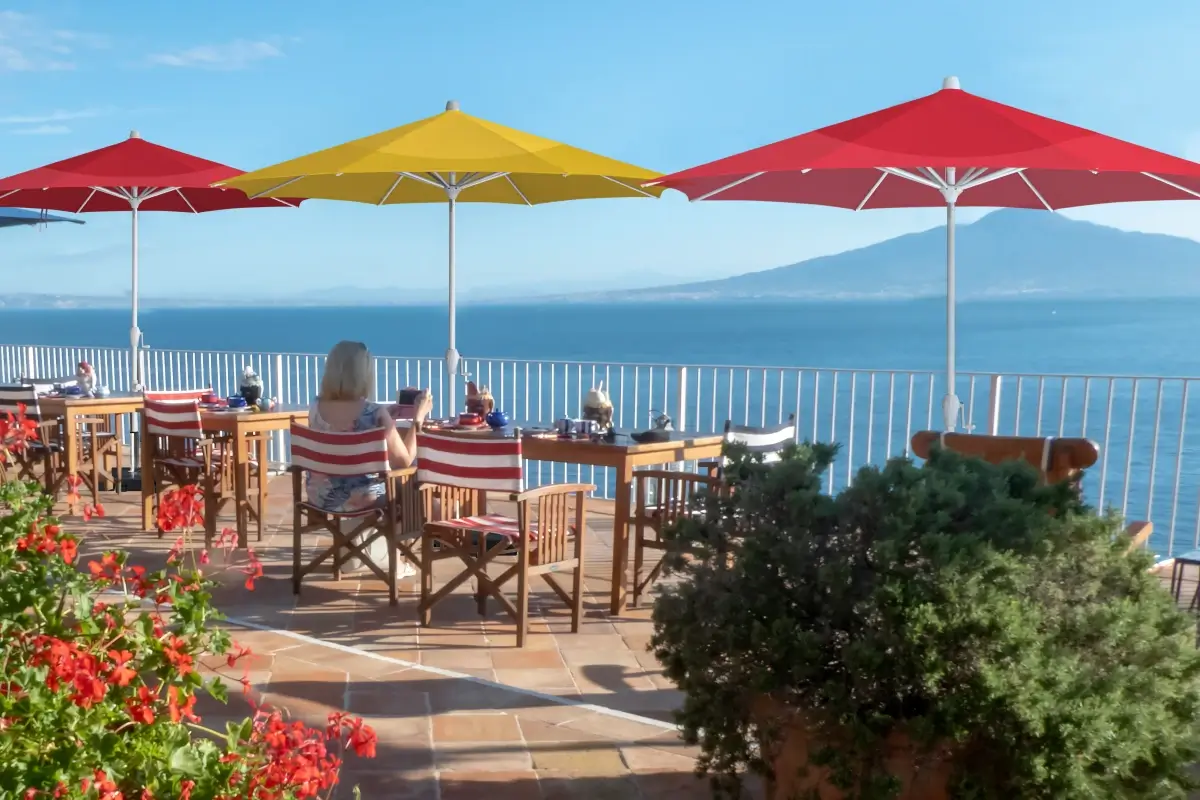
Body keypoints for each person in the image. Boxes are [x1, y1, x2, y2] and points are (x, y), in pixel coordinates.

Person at [306, 340, 433, 577]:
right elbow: (404, 462)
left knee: (394, 486)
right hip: (361, 498)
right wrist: (418, 420)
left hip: (321, 495)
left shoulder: (315, 407)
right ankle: (394, 559)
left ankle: (365, 552)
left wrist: (387, 419)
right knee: (418, 493)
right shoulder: (374, 413)